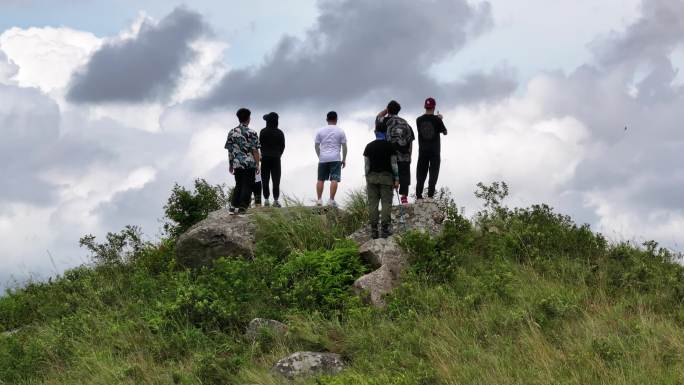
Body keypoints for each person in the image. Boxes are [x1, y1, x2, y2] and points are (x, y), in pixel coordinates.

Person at [364, 126, 399, 239]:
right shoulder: (390, 146)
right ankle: (384, 230)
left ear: (375, 132)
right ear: (386, 133)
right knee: (386, 203)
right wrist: (397, 179)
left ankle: (374, 230)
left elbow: (367, 165)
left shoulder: (369, 146)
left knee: (373, 204)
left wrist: (367, 177)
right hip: (386, 178)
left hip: (372, 178)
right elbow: (394, 164)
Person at [376, 100, 414, 205]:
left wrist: (386, 110)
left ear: (388, 109)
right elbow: (410, 141)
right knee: (405, 176)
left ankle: (389, 199)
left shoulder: (385, 121)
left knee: (389, 177)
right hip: (404, 155)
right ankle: (404, 198)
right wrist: (410, 155)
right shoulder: (405, 123)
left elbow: (378, 117)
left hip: (389, 156)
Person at [225, 108, 260, 214]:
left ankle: (233, 206)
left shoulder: (232, 132)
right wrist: (257, 164)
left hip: (236, 163)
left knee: (239, 184)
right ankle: (242, 207)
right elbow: (255, 150)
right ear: (248, 118)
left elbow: (230, 150)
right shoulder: (252, 132)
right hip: (249, 163)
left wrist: (231, 164)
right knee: (248, 185)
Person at [416, 97, 447, 201]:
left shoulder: (418, 120)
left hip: (423, 150)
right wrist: (440, 119)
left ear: (425, 106)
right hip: (434, 151)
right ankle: (430, 196)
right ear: (434, 107)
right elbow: (445, 132)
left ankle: (419, 196)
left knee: (421, 173)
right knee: (433, 172)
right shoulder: (437, 120)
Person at [315, 111, 347, 207]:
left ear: (326, 119)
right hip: (335, 158)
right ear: (336, 120)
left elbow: (316, 146)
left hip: (323, 158)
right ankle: (331, 200)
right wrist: (344, 159)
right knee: (334, 179)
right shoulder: (340, 131)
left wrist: (320, 156)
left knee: (320, 179)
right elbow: (344, 147)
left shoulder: (320, 131)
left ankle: (319, 200)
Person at [260, 112, 285, 207]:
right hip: (276, 158)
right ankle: (276, 200)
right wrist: (278, 154)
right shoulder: (280, 132)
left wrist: (263, 153)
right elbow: (283, 146)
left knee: (265, 179)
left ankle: (266, 200)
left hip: (265, 157)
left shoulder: (263, 131)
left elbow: (260, 145)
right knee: (276, 180)